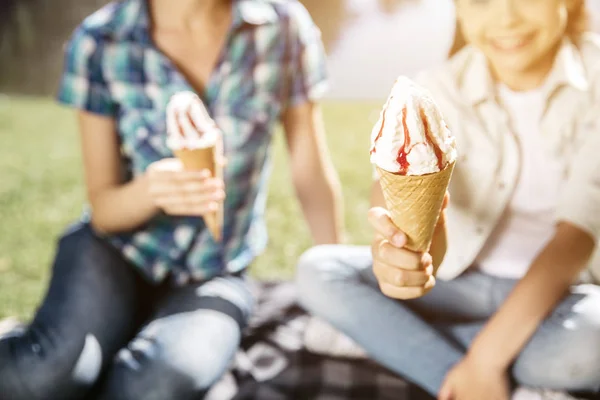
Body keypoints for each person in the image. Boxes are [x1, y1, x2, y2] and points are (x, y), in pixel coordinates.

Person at [0, 0, 343, 398]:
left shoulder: (282, 28)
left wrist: (333, 280)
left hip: (216, 269)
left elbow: (310, 172)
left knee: (155, 383)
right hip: (114, 252)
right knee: (48, 373)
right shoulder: (101, 41)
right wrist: (151, 190)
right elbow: (105, 211)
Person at [297, 0, 600, 399]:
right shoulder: (437, 89)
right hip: (457, 281)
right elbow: (407, 213)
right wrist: (403, 256)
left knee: (591, 340)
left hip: (560, 295)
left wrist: (486, 360)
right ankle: (512, 380)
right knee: (319, 270)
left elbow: (577, 236)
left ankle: (392, 342)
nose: (506, 18)